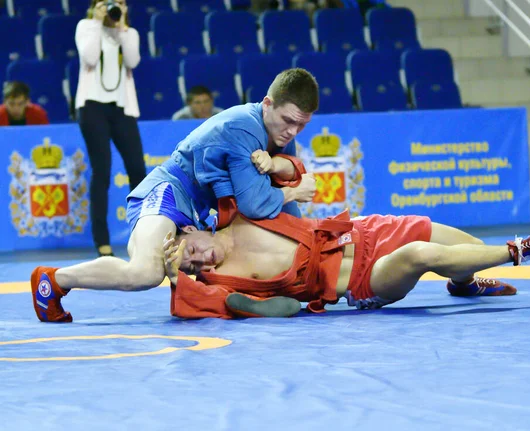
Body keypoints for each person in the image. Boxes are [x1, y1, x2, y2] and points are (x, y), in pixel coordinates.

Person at [30, 68, 320, 323]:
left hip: (197, 216)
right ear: (267, 104)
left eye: (301, 125)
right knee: (146, 272)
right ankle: (53, 280)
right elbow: (255, 205)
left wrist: (307, 255)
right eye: (287, 120)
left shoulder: (281, 139)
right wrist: (294, 190)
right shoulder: (244, 126)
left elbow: (283, 219)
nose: (292, 131)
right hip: (169, 192)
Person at [163, 197, 530, 319]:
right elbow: (287, 307)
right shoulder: (223, 284)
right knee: (421, 255)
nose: (202, 262)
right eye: (194, 268)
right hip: (362, 281)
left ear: (190, 229)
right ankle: (521, 250)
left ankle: (465, 283)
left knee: (464, 247)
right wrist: (242, 303)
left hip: (366, 230)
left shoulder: (238, 209)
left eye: (193, 252)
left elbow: (271, 159)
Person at [75, 0, 147, 257]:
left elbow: (133, 60)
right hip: (92, 106)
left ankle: (142, 235)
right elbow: (90, 57)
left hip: (122, 108)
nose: (113, 7)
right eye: (108, 2)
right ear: (96, 5)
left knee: (138, 169)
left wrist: (123, 27)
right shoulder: (85, 26)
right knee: (102, 170)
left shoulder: (129, 33)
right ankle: (102, 241)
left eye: (119, 2)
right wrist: (96, 22)